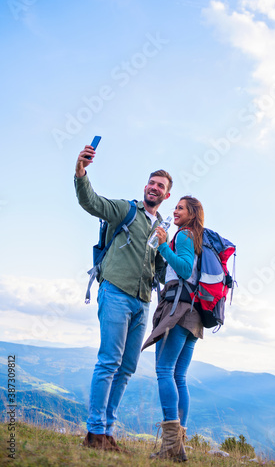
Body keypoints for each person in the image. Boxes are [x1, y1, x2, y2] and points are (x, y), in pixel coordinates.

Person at [74, 143, 172, 451]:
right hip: (115, 292)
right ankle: (94, 433)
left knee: (127, 368)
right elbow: (92, 202)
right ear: (146, 187)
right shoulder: (125, 209)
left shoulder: (160, 228)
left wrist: (167, 250)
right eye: (152, 183)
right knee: (109, 362)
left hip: (142, 303)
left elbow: (158, 271)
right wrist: (81, 171)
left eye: (161, 187)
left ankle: (107, 433)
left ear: (166, 195)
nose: (155, 188)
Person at [142, 196, 204, 462]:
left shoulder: (185, 235)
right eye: (175, 207)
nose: (175, 211)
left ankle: (170, 447)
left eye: (180, 208)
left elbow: (184, 267)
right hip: (195, 315)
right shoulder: (198, 237)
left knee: (164, 371)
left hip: (178, 309)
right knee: (180, 377)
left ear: (192, 213)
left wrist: (164, 245)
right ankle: (177, 447)